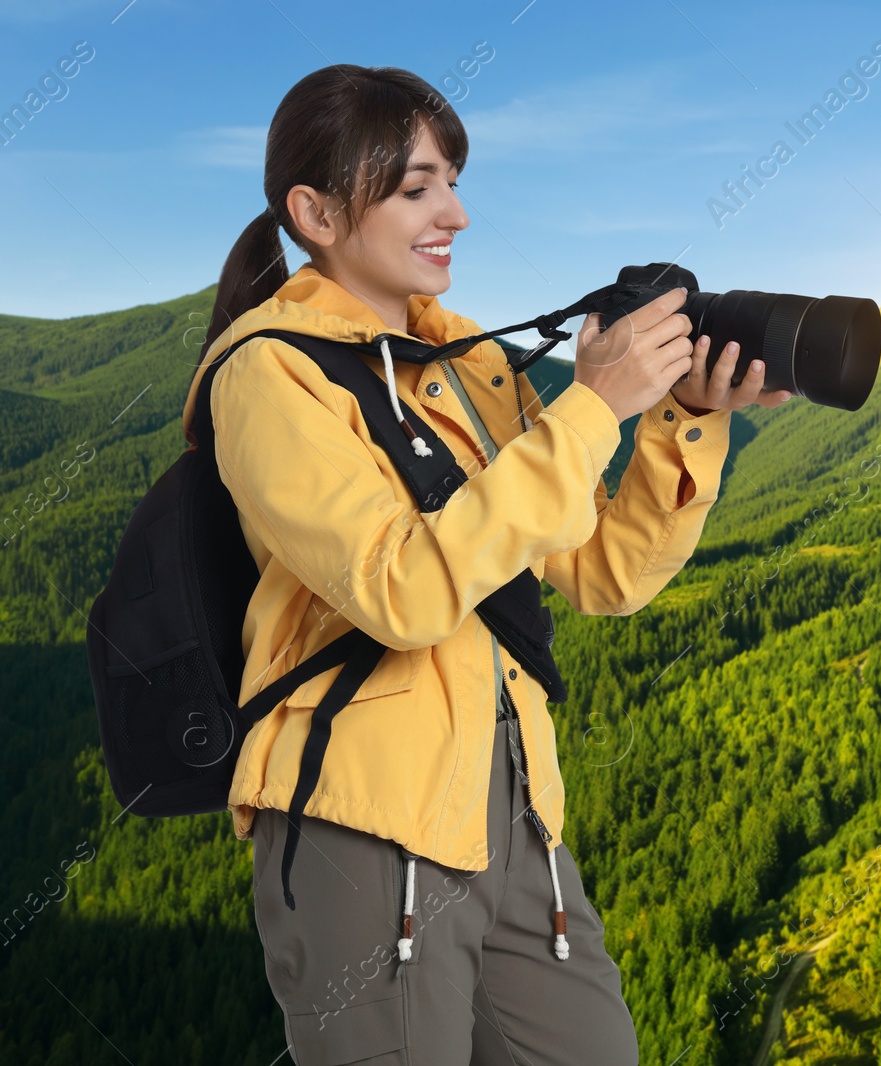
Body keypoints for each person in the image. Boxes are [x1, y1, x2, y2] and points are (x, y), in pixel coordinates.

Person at [178, 63, 790, 1066]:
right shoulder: (268, 372)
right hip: (364, 823)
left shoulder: (469, 365)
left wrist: (685, 416)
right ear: (316, 210)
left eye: (452, 182)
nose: (455, 212)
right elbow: (403, 589)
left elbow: (603, 571)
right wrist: (592, 406)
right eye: (417, 187)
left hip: (515, 812)